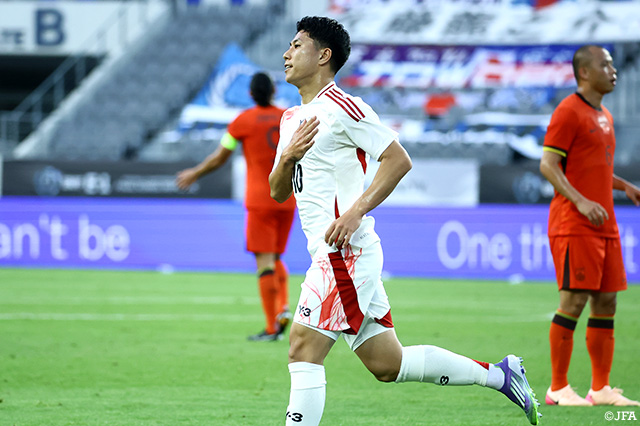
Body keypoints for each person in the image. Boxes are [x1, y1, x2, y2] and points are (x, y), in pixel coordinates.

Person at [269, 16, 540, 425]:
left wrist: (355, 211)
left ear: (323, 55)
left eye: (296, 45)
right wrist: (288, 156)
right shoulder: (290, 118)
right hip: (329, 255)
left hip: (344, 254)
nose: (286, 54)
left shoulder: (344, 107)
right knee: (387, 363)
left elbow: (398, 159)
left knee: (302, 348)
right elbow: (277, 191)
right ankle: (501, 375)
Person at [540, 45, 640, 406]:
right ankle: (558, 388)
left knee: (607, 301)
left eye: (613, 64)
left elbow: (591, 168)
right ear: (584, 72)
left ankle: (600, 389)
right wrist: (580, 200)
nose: (613, 70)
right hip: (574, 222)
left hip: (605, 223)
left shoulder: (604, 115)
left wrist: (623, 186)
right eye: (605, 65)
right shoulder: (568, 111)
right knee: (574, 300)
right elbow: (548, 164)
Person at [177, 72, 296, 341]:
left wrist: (196, 173)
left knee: (264, 261)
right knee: (277, 257)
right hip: (288, 199)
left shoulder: (242, 122)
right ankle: (283, 305)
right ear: (274, 92)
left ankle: (271, 327)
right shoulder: (288, 118)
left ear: (250, 94)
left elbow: (221, 157)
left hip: (259, 201)